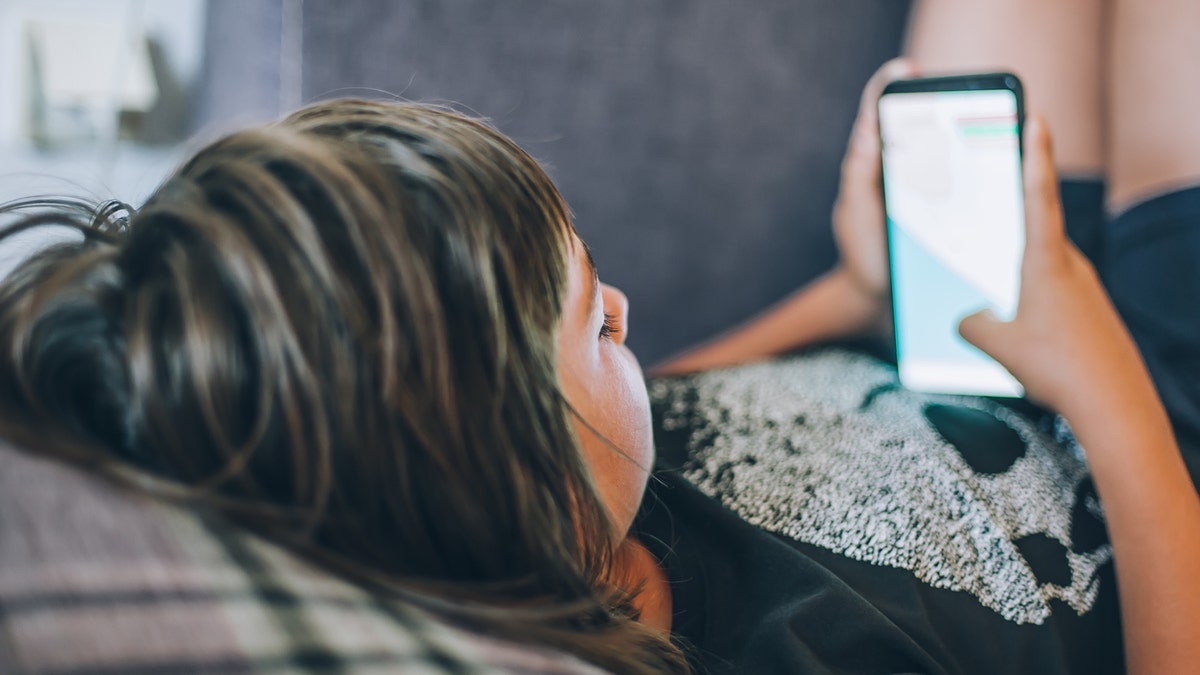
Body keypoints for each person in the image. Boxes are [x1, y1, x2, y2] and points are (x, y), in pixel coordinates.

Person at [0, 4, 1196, 675]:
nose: (624, 311)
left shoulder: (574, 486)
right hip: (1160, 428)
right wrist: (1101, 377)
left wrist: (847, 292)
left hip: (979, 319)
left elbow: (670, 404)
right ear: (504, 477)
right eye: (593, 323)